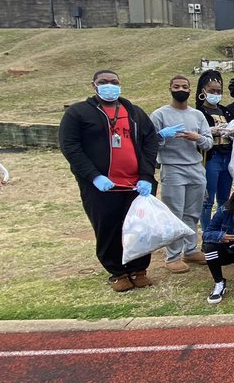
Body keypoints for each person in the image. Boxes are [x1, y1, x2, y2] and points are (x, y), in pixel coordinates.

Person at [58, 69, 159, 292]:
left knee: (139, 227)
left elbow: (150, 141)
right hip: (103, 186)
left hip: (136, 184)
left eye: (113, 82)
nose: (109, 86)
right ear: (94, 85)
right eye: (103, 82)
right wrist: (93, 176)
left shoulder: (133, 112)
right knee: (109, 228)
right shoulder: (79, 113)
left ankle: (139, 269)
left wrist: (146, 175)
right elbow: (71, 147)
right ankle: (118, 272)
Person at [150, 75, 213, 273]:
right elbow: (149, 143)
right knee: (174, 213)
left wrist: (198, 137)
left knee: (192, 213)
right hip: (172, 166)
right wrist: (161, 136)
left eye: (184, 86)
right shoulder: (159, 115)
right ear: (170, 88)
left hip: (195, 166)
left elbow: (209, 142)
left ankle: (191, 249)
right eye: (176, 86)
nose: (181, 89)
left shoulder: (197, 115)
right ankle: (173, 256)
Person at [196, 70, 234, 230]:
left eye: (218, 91)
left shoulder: (225, 111)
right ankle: (207, 232)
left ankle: (221, 228)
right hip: (210, 158)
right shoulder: (199, 112)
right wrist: (212, 131)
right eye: (212, 91)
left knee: (224, 198)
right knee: (207, 200)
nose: (215, 94)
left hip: (227, 157)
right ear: (203, 91)